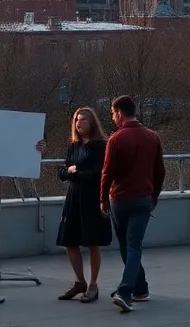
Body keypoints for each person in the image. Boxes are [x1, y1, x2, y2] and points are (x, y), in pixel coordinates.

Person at [99, 95, 165, 313]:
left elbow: (107, 173)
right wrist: (154, 196)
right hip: (144, 198)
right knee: (133, 244)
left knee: (128, 246)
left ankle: (125, 291)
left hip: (120, 199)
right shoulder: (152, 137)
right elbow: (160, 171)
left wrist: (102, 199)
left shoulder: (116, 139)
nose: (112, 118)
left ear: (119, 113)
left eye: (112, 113)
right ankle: (140, 288)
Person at [50, 107, 112, 303]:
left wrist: (74, 173)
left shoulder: (101, 146)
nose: (78, 123)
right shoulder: (74, 146)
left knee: (93, 242)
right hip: (74, 197)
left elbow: (98, 174)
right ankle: (80, 281)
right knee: (69, 241)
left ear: (91, 122)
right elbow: (62, 172)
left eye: (83, 119)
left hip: (92, 197)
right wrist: (69, 172)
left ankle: (93, 284)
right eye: (76, 119)